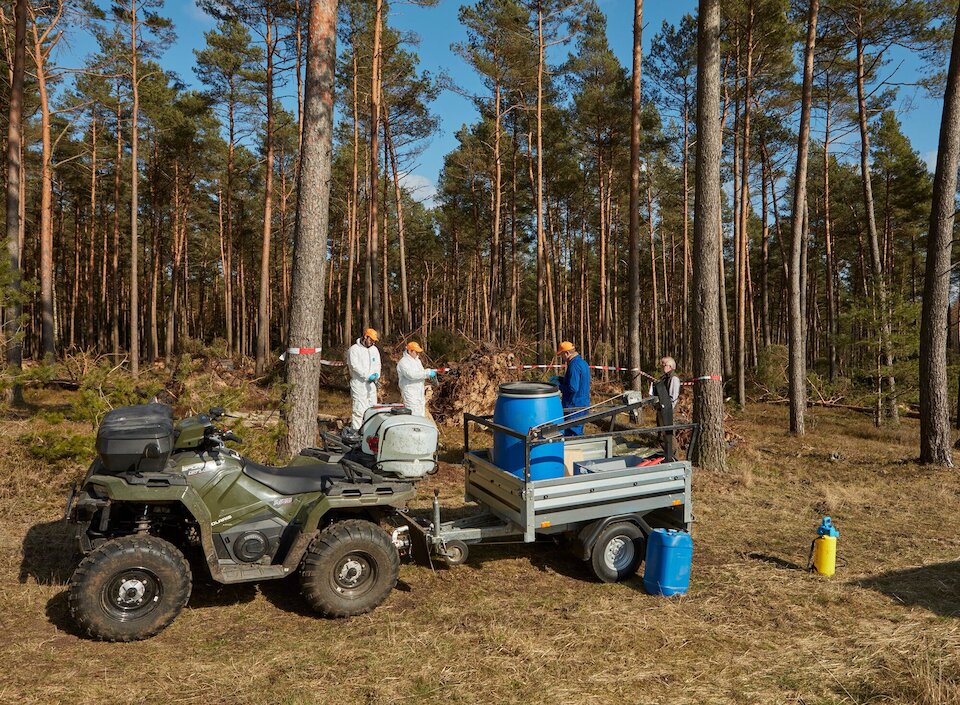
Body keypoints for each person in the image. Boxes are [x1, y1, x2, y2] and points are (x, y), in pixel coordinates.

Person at [346, 328, 382, 432]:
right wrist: (367, 376)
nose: (373, 342)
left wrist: (376, 375)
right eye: (371, 340)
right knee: (359, 410)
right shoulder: (354, 350)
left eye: (374, 341)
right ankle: (356, 433)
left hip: (371, 385)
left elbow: (378, 364)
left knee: (372, 410)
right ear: (365, 337)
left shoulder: (374, 350)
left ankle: (370, 433)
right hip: (359, 384)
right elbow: (354, 367)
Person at [555, 340, 590, 436]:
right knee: (578, 432)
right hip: (582, 404)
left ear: (566, 353)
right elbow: (579, 382)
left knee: (572, 435)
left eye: (562, 355)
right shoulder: (583, 363)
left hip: (574, 406)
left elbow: (573, 388)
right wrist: (561, 380)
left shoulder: (573, 365)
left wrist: (559, 386)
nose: (562, 358)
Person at [396, 341, 437, 417]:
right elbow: (411, 375)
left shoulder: (417, 361)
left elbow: (420, 374)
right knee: (413, 416)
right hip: (410, 394)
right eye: (416, 352)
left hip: (419, 395)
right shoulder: (403, 362)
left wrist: (428, 374)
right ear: (409, 351)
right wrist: (427, 372)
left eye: (419, 352)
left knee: (421, 416)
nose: (418, 354)